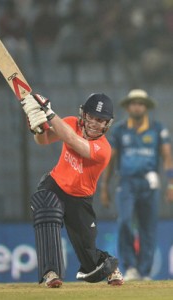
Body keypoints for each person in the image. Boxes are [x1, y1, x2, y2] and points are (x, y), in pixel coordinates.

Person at [21, 92, 124, 287]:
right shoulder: (70, 123)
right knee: (46, 211)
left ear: (107, 124)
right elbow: (43, 141)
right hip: (55, 185)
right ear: (83, 115)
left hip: (80, 199)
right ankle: (50, 273)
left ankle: (108, 266)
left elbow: (74, 142)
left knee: (89, 260)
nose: (94, 123)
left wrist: (49, 114)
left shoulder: (104, 150)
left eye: (100, 120)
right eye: (91, 117)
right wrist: (38, 130)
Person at [100, 89, 173, 281]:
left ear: (146, 106)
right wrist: (104, 187)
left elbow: (167, 157)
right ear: (128, 106)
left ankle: (145, 271)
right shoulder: (120, 130)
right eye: (133, 103)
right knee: (124, 222)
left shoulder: (158, 129)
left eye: (141, 103)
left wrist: (171, 184)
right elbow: (110, 160)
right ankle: (131, 267)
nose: (137, 106)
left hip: (150, 184)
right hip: (126, 183)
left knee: (148, 227)